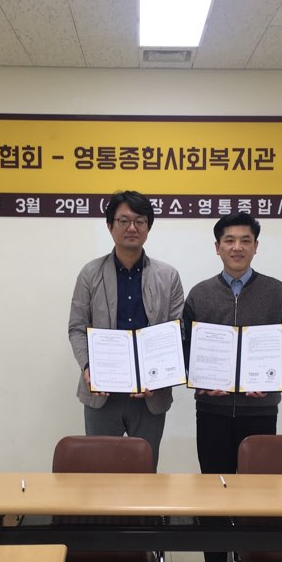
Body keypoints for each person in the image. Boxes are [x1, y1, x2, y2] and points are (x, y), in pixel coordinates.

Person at [182, 211, 282, 562]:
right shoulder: (200, 294)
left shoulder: (277, 292)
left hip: (260, 409)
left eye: (245, 240)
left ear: (255, 246)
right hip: (212, 410)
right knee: (213, 485)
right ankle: (214, 561)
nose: (237, 247)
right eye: (229, 240)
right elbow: (184, 345)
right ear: (217, 247)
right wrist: (200, 378)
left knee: (258, 489)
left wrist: (270, 373)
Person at [68, 190, 184, 466]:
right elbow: (77, 328)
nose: (132, 227)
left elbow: (178, 332)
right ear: (110, 226)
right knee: (100, 469)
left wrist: (158, 377)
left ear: (148, 227)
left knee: (145, 468)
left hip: (150, 395)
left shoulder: (168, 276)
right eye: (124, 220)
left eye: (140, 221)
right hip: (102, 394)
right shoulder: (90, 274)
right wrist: (88, 367)